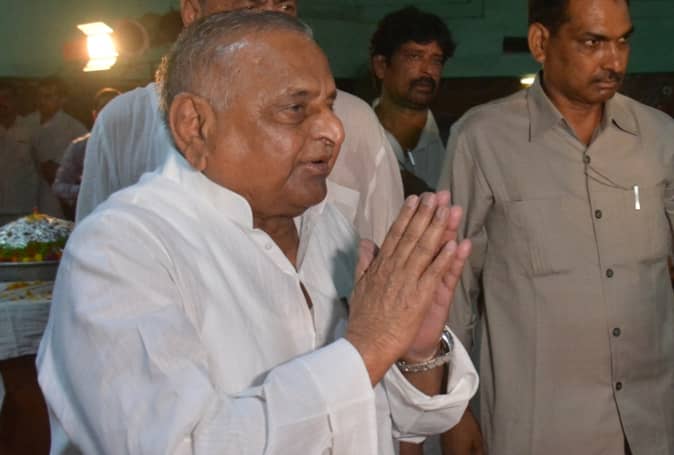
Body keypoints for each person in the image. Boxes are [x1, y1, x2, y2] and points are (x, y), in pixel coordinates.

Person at [37, 11, 478, 454]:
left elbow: (395, 420)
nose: (334, 130)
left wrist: (416, 352)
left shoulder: (327, 226)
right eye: (295, 109)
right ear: (195, 125)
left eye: (329, 106)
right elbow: (179, 445)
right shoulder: (119, 249)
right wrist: (370, 347)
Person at [438, 0, 673, 454]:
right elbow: (453, 289)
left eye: (623, 41)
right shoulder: (483, 140)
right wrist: (454, 409)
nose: (614, 61)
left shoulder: (659, 139)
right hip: (541, 428)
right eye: (593, 42)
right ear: (541, 42)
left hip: (651, 421)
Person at [75, 0, 404, 248]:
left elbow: (390, 271)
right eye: (253, 9)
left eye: (285, 8)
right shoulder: (123, 123)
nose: (332, 131)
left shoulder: (354, 121)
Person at [370, 6, 454, 196]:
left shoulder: (458, 139)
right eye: (414, 57)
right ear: (381, 66)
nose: (428, 71)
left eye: (436, 60)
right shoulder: (350, 138)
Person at [52, 87, 121, 220]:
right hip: (92, 217)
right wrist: (88, 190)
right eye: (104, 107)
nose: (110, 112)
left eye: (116, 107)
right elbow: (59, 186)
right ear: (95, 114)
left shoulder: (136, 145)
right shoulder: (81, 146)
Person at [24, 77, 87, 218]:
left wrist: (60, 170)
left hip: (58, 201)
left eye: (47, 96)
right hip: (25, 196)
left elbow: (86, 167)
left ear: (62, 99)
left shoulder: (75, 129)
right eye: (39, 96)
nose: (41, 101)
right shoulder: (26, 124)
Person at [0, 81, 38, 224]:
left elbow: (41, 168)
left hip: (22, 209)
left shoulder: (31, 128)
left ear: (15, 101)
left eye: (6, 98)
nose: (2, 102)